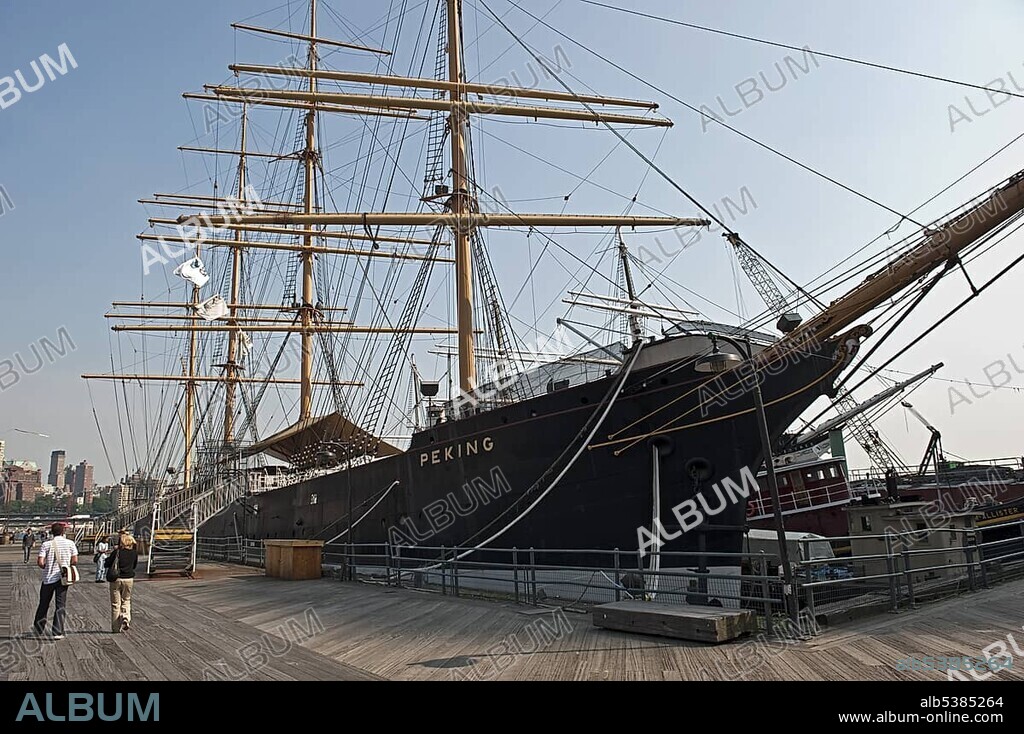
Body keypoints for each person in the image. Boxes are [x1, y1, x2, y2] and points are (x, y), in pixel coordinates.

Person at [33, 522, 78, 640]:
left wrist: (46, 567)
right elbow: (74, 560)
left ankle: (38, 629)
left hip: (48, 578)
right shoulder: (70, 543)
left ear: (52, 532)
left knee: (44, 603)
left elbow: (40, 562)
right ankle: (57, 631)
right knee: (60, 605)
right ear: (63, 532)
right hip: (63, 578)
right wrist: (66, 566)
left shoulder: (46, 544)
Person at [107, 531, 139, 633]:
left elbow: (107, 563)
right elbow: (134, 566)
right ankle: (125, 617)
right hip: (129, 579)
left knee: (116, 604)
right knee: (126, 599)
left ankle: (116, 628)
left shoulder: (117, 552)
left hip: (116, 579)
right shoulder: (134, 553)